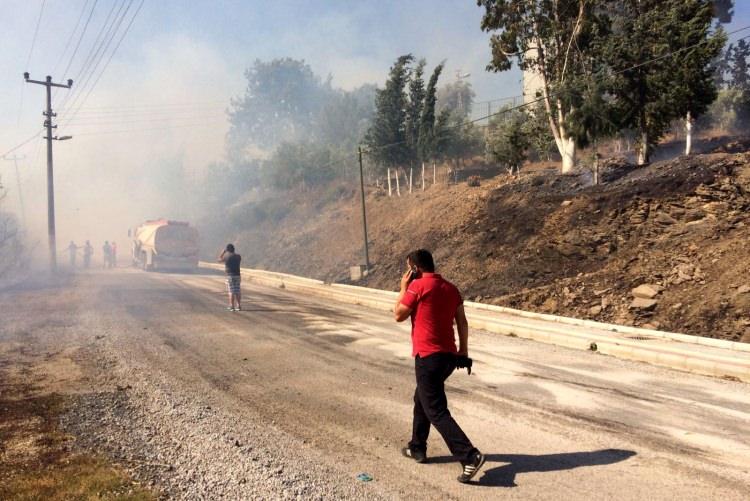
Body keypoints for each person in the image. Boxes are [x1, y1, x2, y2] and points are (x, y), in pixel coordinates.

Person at [393, 249, 485, 484]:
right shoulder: (451, 288)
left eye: (408, 268)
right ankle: (417, 447)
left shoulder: (417, 286)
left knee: (435, 409)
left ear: (415, 269)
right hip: (448, 358)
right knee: (421, 398)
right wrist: (463, 351)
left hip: (428, 357)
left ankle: (469, 455)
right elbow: (462, 322)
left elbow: (398, 314)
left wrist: (403, 287)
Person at [218, 243, 242, 311]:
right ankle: (239, 306)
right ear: (234, 249)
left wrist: (223, 253)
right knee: (237, 291)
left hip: (230, 276)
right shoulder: (238, 256)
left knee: (231, 291)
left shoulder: (226, 256)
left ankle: (232, 306)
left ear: (227, 250)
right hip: (238, 275)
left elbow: (219, 260)